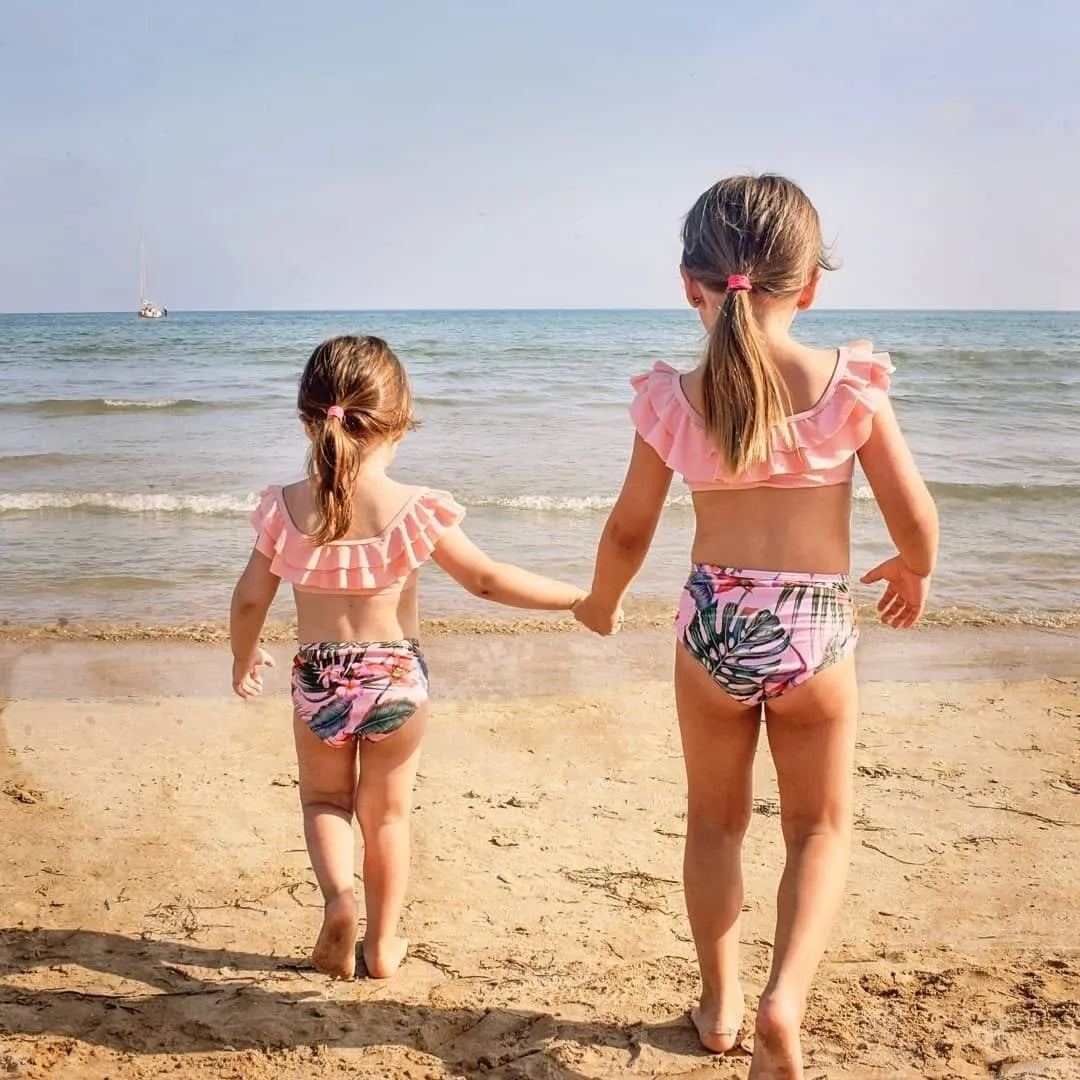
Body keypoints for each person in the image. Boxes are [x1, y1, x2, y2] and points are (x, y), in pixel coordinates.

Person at [573, 175, 938, 1078]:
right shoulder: (849, 383)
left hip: (713, 624)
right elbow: (914, 515)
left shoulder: (673, 397)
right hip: (814, 626)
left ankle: (721, 1004)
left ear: (689, 284)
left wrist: (603, 600)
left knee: (715, 823)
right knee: (818, 828)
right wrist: (913, 567)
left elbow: (629, 529)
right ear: (808, 285)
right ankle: (785, 1001)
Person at [229, 334, 584, 980]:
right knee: (388, 816)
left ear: (309, 421)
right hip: (394, 677)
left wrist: (244, 656)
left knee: (324, 803)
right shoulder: (414, 507)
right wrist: (578, 600)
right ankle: (384, 945)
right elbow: (486, 580)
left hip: (319, 678)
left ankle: (339, 902)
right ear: (398, 424)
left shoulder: (284, 507)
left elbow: (252, 596)